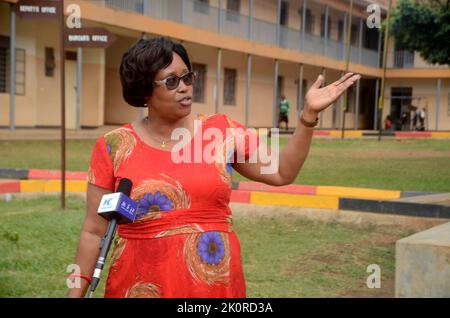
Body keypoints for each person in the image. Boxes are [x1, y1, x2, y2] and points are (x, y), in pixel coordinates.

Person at [67, 37, 360, 298]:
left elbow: (283, 171)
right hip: (139, 284)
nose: (184, 88)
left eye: (187, 77)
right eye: (171, 81)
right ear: (144, 91)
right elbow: (93, 232)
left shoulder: (221, 132)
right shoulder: (113, 146)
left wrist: (307, 116)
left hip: (213, 284)